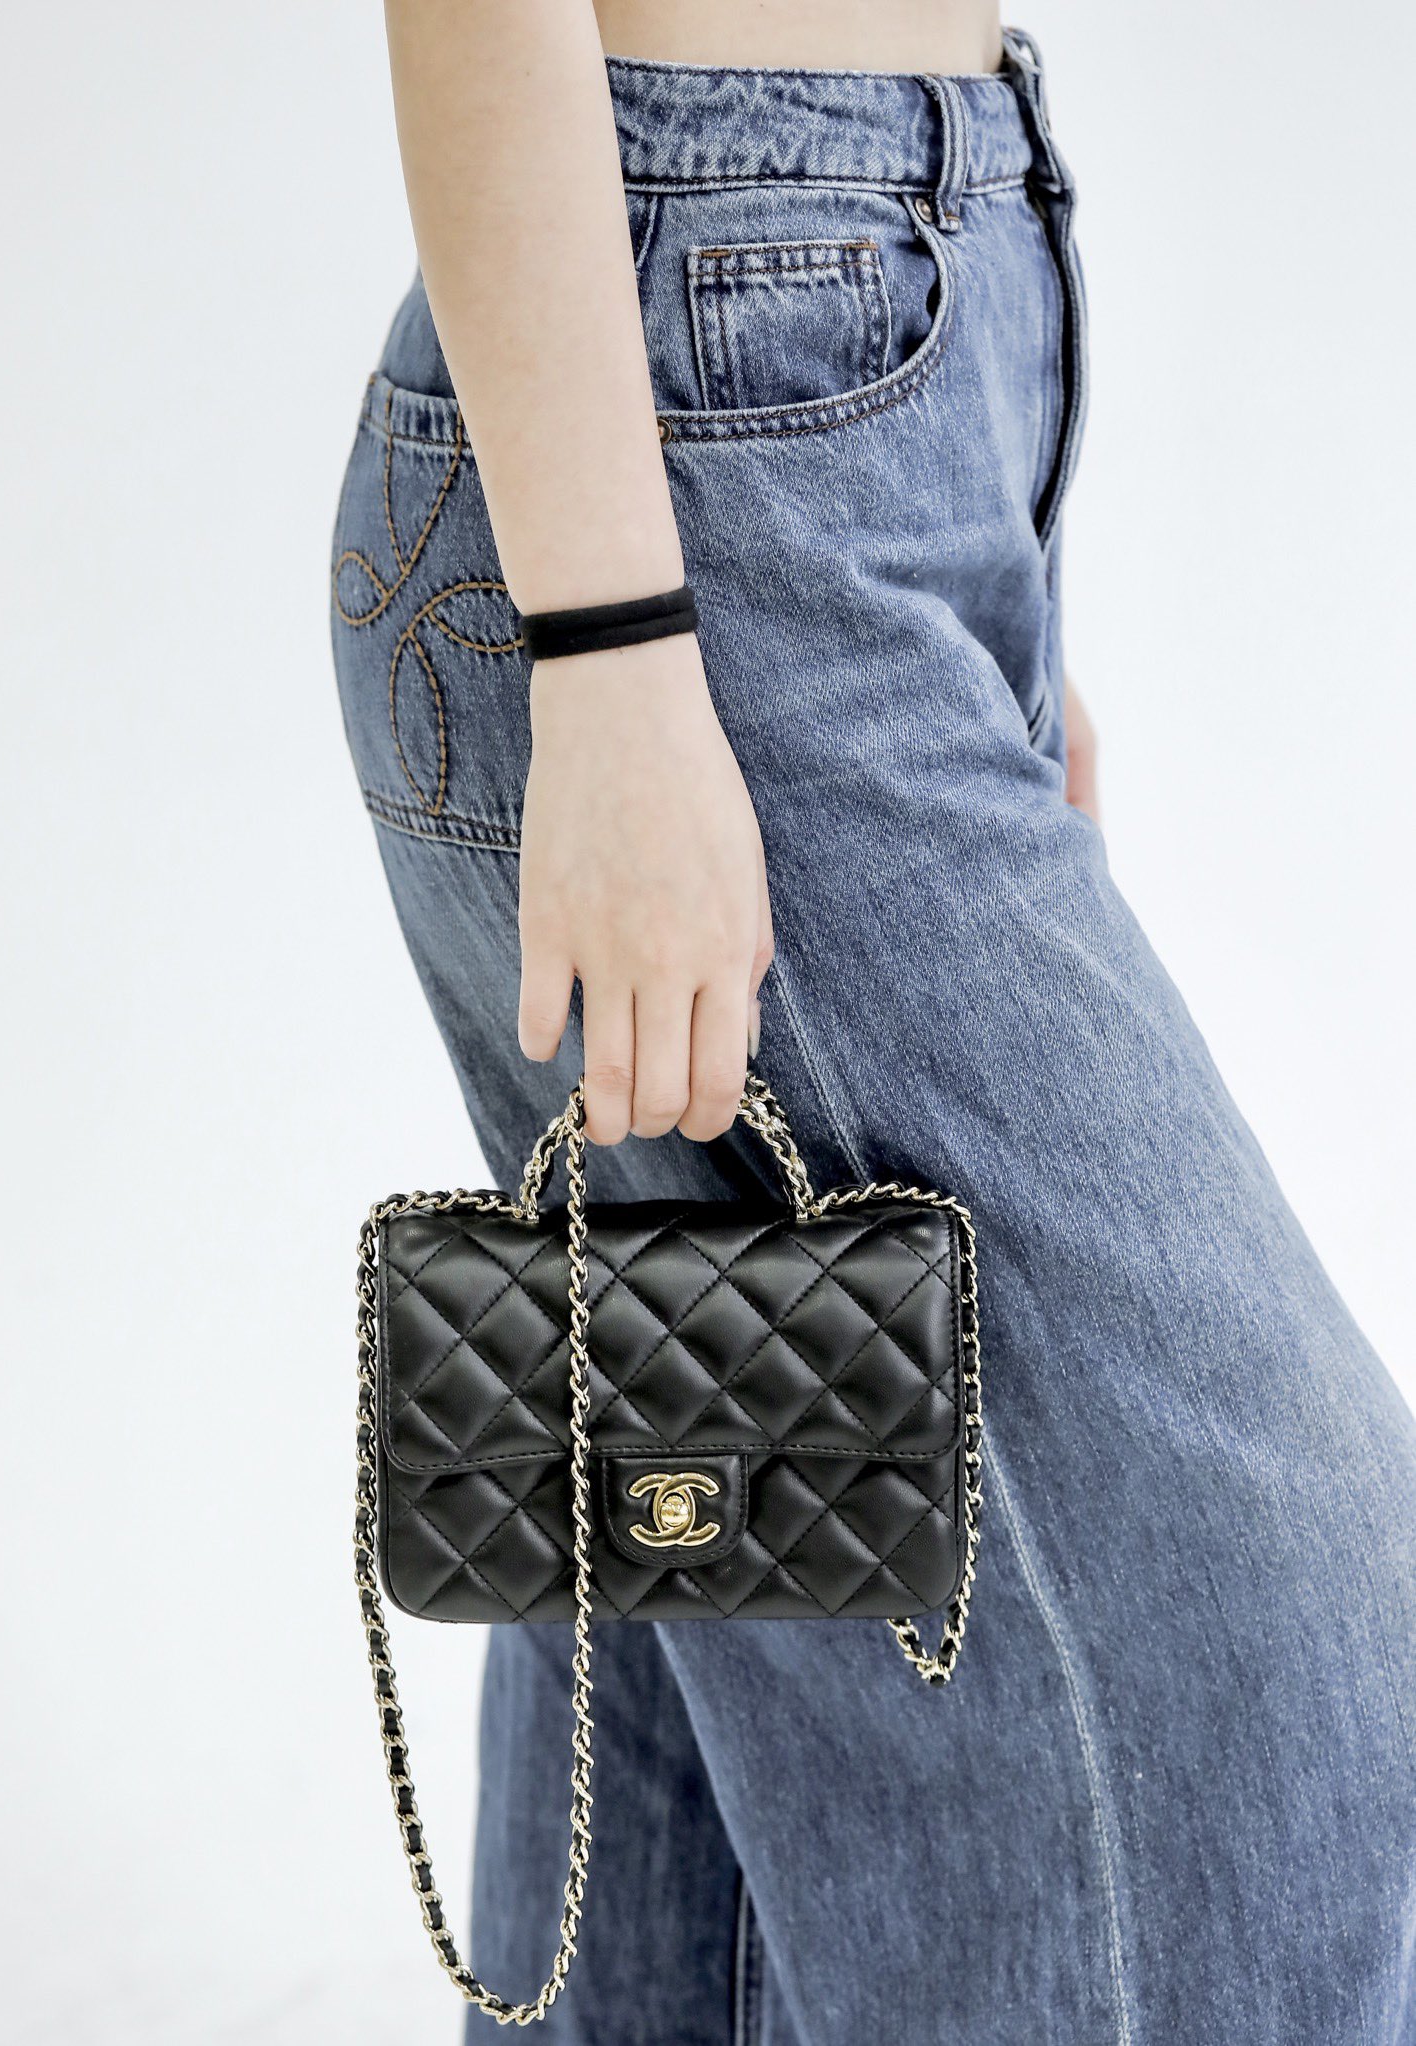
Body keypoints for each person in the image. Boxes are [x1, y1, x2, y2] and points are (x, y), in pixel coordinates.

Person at [330, 5, 1416, 2038]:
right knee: (1285, 1643)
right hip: (693, 458)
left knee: (720, 1598)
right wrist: (613, 648)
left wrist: (993, 608)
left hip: (871, 398)